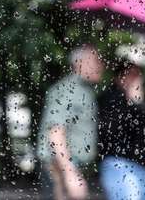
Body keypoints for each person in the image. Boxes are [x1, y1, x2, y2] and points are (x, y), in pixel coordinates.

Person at [37, 45, 104, 200]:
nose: (101, 65)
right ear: (80, 63)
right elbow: (55, 131)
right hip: (59, 167)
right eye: (96, 60)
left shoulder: (84, 90)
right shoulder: (69, 90)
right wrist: (70, 173)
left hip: (68, 165)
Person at [98, 64, 145, 200]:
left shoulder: (137, 100)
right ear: (119, 78)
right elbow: (110, 133)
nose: (136, 79)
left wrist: (138, 104)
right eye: (131, 75)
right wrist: (133, 104)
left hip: (141, 166)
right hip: (118, 163)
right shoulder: (109, 99)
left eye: (138, 75)